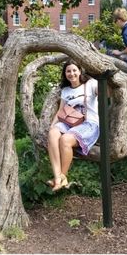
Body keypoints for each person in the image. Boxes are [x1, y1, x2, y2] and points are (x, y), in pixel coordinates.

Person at [47, 60, 99, 192]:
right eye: (68, 71)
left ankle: (63, 177)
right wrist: (52, 127)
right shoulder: (65, 90)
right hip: (69, 123)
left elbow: (105, 92)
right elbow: (60, 111)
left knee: (65, 140)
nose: (71, 73)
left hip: (88, 124)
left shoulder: (90, 83)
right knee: (53, 134)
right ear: (65, 74)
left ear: (80, 71)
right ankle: (57, 177)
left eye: (74, 70)